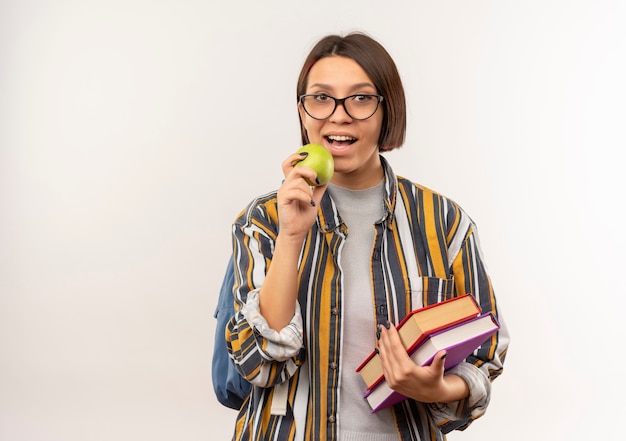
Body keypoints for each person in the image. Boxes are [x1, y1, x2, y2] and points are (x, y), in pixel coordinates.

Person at [224, 31, 509, 441]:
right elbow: (259, 367)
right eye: (320, 98)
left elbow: (485, 353)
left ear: (386, 109)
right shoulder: (264, 219)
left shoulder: (443, 221)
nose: (338, 115)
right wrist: (291, 236)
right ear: (302, 112)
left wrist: (439, 388)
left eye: (360, 98)